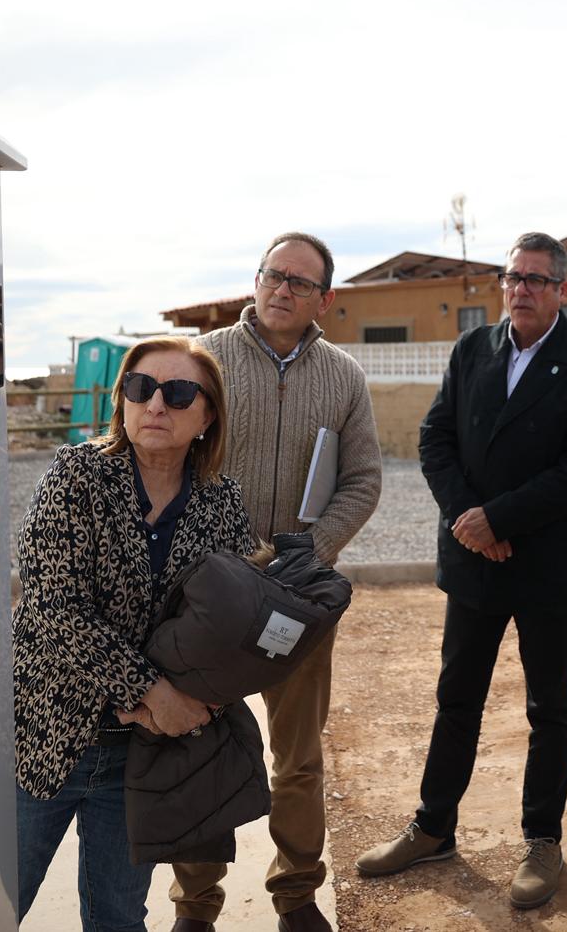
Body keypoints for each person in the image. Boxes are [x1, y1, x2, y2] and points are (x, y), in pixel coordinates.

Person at [356, 232, 567, 910]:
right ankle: (434, 826)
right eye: (512, 277)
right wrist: (470, 518)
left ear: (562, 290)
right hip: (474, 562)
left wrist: (500, 520)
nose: (520, 289)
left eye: (535, 279)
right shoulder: (473, 350)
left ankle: (542, 840)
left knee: (550, 706)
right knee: (456, 697)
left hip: (546, 565)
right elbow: (436, 439)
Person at [14, 337, 255, 932]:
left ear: (207, 415)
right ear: (122, 400)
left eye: (177, 394)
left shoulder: (222, 502)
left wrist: (204, 701)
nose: (156, 406)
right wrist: (153, 692)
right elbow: (53, 608)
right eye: (141, 389)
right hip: (46, 735)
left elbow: (236, 624)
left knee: (119, 916)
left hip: (144, 756)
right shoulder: (76, 477)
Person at [183, 232, 383, 932]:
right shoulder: (203, 359)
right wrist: (206, 553)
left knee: (297, 759)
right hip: (204, 596)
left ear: (324, 298)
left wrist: (316, 547)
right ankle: (196, 904)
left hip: (297, 597)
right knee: (197, 749)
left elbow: (362, 479)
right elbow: (163, 456)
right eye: (274, 275)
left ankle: (297, 895)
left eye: (301, 282)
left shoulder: (343, 377)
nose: (283, 290)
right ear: (256, 279)